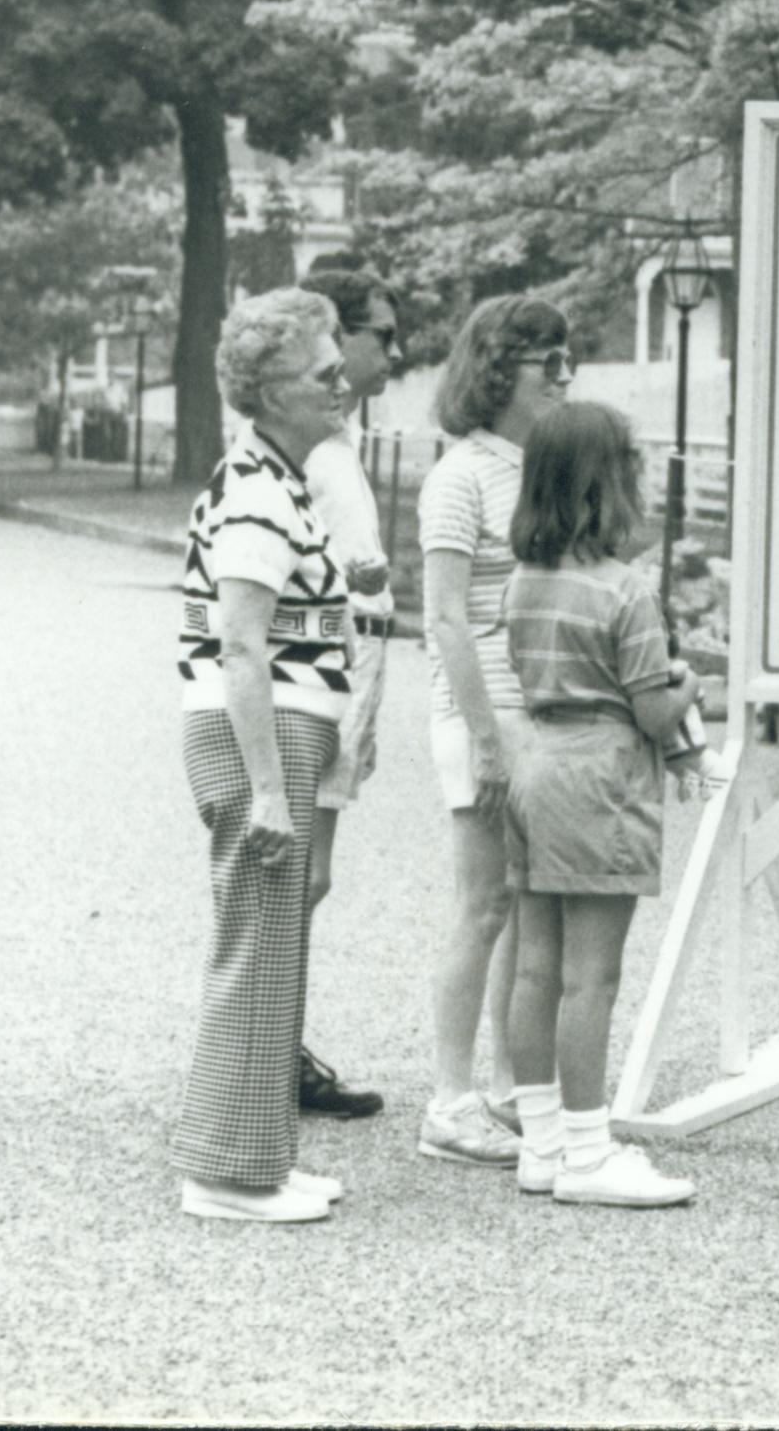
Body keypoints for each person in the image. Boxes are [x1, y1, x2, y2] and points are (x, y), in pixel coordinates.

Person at [169, 288, 360, 1224]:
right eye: (324, 373)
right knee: (257, 948)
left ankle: (260, 1155)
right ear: (272, 389)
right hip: (261, 735)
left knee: (276, 950)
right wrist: (271, 791)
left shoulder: (276, 479)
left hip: (281, 731)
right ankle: (223, 1174)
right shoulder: (255, 492)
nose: (344, 384)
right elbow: (240, 646)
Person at [497, 401, 718, 1207]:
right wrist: (691, 685)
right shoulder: (626, 593)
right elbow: (655, 714)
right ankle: (591, 1153)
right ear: (609, 482)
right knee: (593, 979)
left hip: (537, 766)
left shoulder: (526, 581)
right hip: (601, 779)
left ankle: (544, 1143)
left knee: (534, 969)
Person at [414, 293, 575, 1167]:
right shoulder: (461, 475)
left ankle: (514, 1085)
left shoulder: (537, 464)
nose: (561, 373)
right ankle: (448, 1097)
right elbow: (442, 618)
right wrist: (483, 734)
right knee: (481, 905)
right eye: (541, 358)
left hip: (543, 710)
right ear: (494, 369)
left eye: (564, 356)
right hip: (483, 709)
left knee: (525, 904)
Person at [286, 259, 408, 1121]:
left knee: (312, 870)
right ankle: (265, 1052)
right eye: (382, 337)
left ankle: (273, 1046)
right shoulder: (308, 442)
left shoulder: (340, 440)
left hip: (354, 653)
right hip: (325, 659)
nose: (394, 356)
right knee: (298, 869)